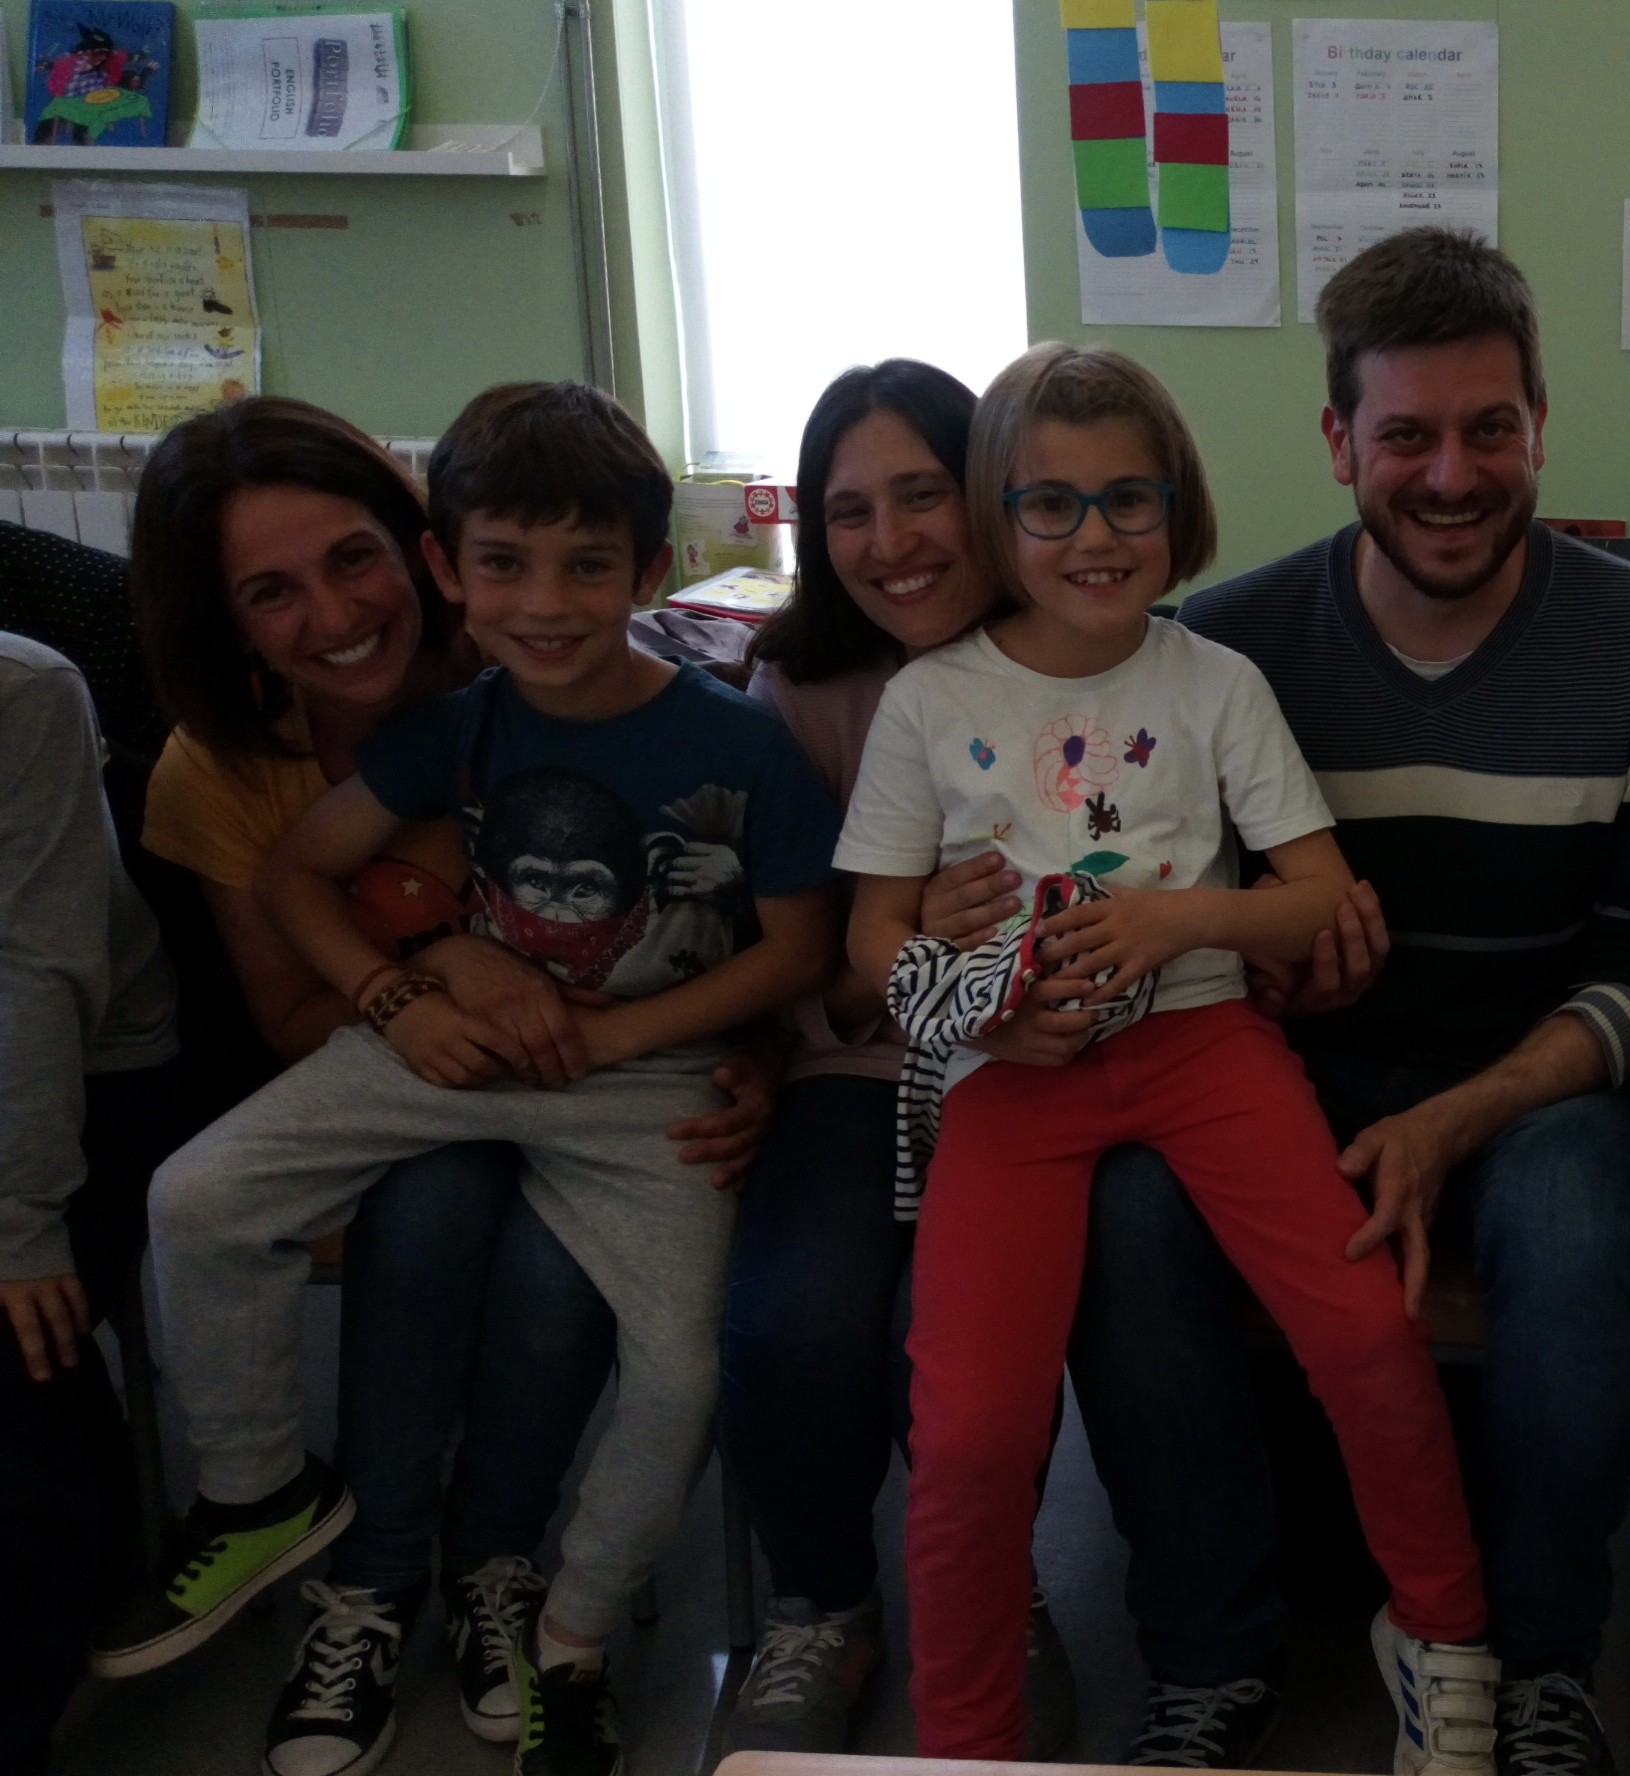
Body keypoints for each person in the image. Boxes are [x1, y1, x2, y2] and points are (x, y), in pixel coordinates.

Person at [1063, 226, 1630, 1774]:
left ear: (1540, 426)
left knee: (1578, 1230)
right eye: (1408, 435)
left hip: (1539, 1083)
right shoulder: (1222, 649)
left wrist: (1453, 1120)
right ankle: (1207, 1656)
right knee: (1133, 1212)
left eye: (1490, 430)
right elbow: (1177, 928)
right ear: (1338, 440)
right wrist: (1268, 971)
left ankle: (1544, 1658)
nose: (1451, 475)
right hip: (1281, 1075)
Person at [123, 381, 840, 1776]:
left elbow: (798, 948)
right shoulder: (449, 732)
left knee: (687, 1366)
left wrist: (643, 1039)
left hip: (640, 1081)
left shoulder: (733, 739)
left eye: (587, 567)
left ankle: (566, 1634)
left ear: (649, 569)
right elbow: (298, 877)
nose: (545, 603)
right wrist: (398, 996)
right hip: (440, 1057)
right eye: (504, 564)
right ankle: (266, 1494)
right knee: (196, 1199)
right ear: (452, 564)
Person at [839, 340, 1495, 1768]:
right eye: (1052, 503)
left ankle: (1444, 1637)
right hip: (1012, 1079)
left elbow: (1317, 897)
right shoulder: (931, 702)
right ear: (999, 516)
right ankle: (967, 1741)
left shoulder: (1214, 683)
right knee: (969, 1432)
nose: (1096, 536)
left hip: (1204, 1041)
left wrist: (1173, 920)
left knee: (1365, 1334)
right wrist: (985, 1011)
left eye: (1129, 500)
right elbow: (872, 939)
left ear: (1177, 509)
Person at [716, 358, 1077, 1755]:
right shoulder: (795, 691)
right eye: (848, 511)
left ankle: (988, 1591)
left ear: (989, 491)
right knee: (792, 1316)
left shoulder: (1088, 650)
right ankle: (822, 1601)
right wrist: (895, 943)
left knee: (956, 1337)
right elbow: (801, 962)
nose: (891, 540)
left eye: (922, 494)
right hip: (860, 1065)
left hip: (1040, 1074)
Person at [0, 632, 183, 1776]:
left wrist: (17, 1226)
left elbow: (35, 974)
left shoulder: (23, 694)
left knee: (18, 1338)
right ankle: (103, 1538)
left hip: (80, 1075)